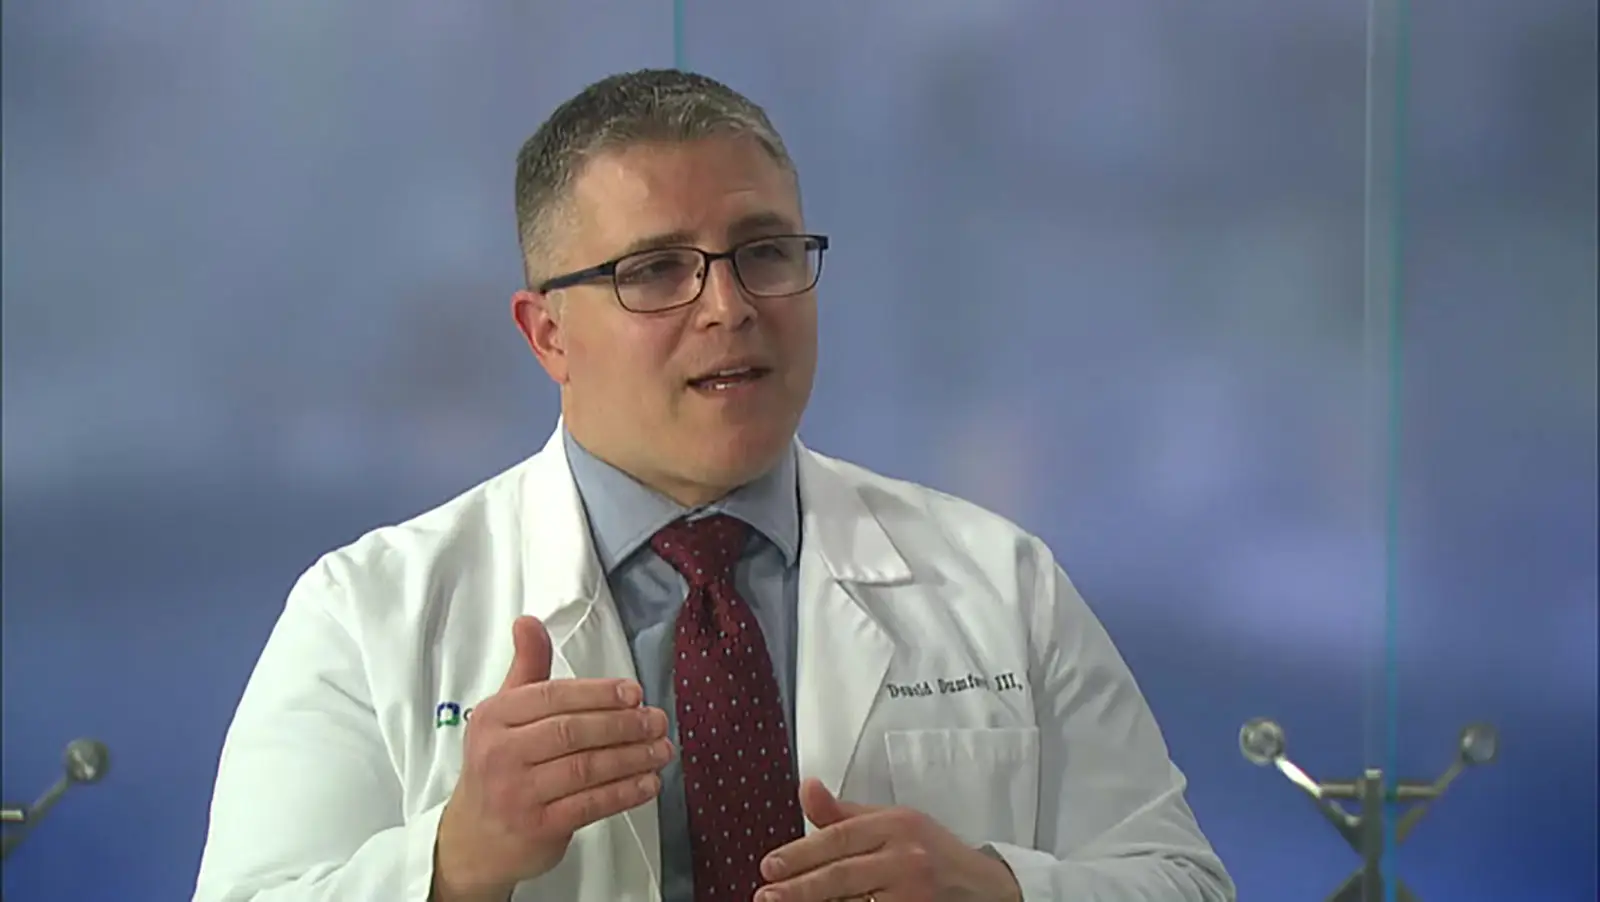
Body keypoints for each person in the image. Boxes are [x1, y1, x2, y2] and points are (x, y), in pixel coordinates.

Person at [192, 69, 1235, 902]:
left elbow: (1183, 881)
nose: (729, 306)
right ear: (547, 333)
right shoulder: (365, 611)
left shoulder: (999, 579)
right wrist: (454, 863)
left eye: (764, 253)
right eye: (655, 270)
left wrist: (998, 888)